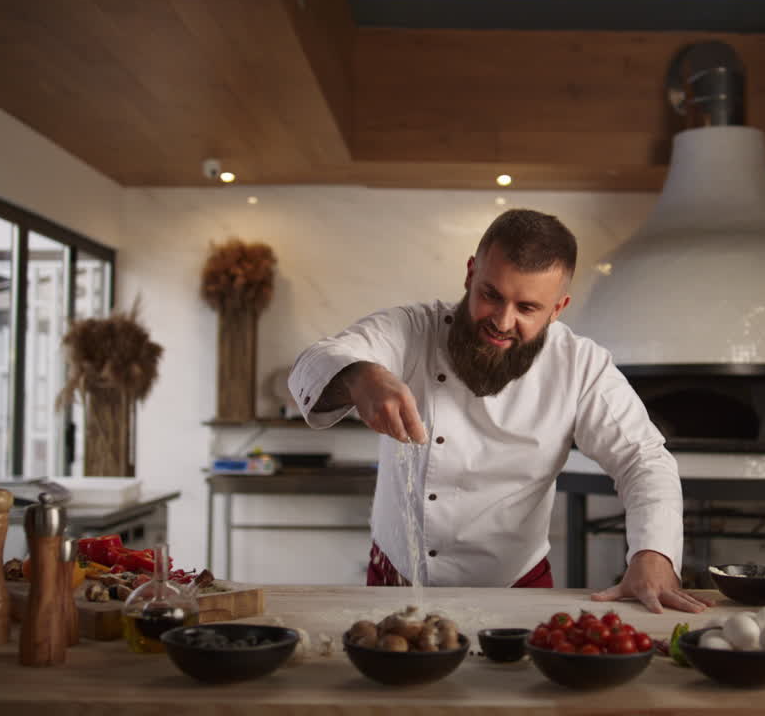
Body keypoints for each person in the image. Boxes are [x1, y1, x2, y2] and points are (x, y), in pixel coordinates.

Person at [288, 208, 713, 613]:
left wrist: (654, 554)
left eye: (527, 308)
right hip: (395, 577)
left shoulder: (581, 366)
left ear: (558, 308)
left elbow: (643, 459)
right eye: (491, 295)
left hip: (515, 586)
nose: (503, 321)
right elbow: (318, 359)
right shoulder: (412, 330)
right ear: (471, 273)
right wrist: (360, 375)